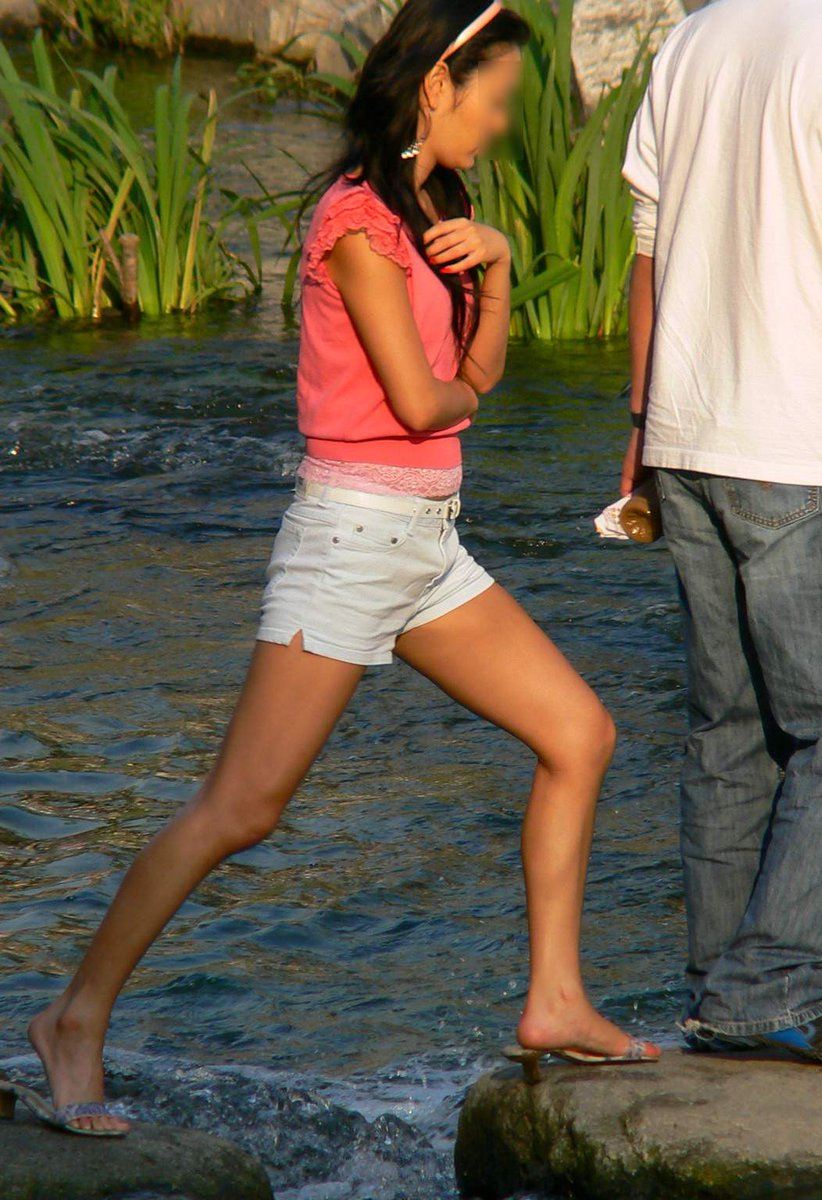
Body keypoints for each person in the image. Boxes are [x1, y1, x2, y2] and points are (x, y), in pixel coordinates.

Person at [1, 0, 662, 1138]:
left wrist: (501, 268)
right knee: (240, 809)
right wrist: (459, 390)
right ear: (437, 85)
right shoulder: (355, 221)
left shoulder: (440, 211)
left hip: (427, 544)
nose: (504, 123)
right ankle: (73, 1017)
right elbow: (421, 397)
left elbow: (477, 374)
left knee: (579, 734)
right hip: (350, 539)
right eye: (497, 99)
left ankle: (555, 999)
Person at [621, 0, 822, 1064]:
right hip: (808, 449)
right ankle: (769, 986)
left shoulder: (695, 37)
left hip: (688, 438)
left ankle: (719, 988)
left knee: (729, 731)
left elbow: (648, 252)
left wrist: (641, 426)